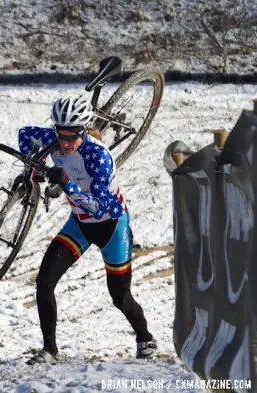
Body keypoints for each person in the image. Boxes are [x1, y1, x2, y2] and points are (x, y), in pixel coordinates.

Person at [18, 94, 157, 365]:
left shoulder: (98, 157)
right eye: (61, 135)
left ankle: (145, 336)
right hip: (79, 225)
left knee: (120, 296)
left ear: (84, 130)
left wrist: (67, 184)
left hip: (111, 227)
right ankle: (50, 351)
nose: (66, 143)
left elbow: (97, 207)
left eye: (73, 136)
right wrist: (32, 166)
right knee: (44, 282)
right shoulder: (52, 140)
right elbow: (24, 135)